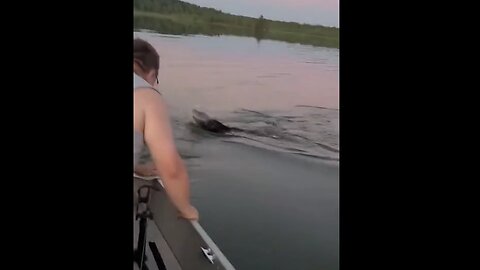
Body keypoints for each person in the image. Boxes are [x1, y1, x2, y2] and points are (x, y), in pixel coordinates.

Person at [134, 38, 198, 220]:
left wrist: (136, 167)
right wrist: (186, 209)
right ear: (152, 74)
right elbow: (171, 168)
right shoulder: (146, 95)